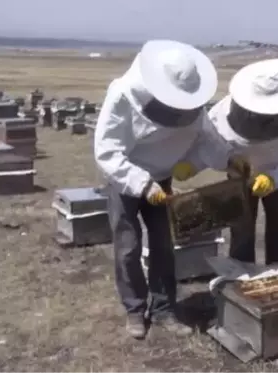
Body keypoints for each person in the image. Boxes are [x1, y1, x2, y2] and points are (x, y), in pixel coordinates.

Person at [94, 39, 243, 339]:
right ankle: (135, 311)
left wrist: (230, 159)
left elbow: (207, 137)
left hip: (162, 180)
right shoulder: (124, 94)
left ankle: (163, 309)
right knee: (128, 247)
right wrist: (141, 184)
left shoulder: (191, 103)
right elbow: (107, 150)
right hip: (126, 179)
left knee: (163, 246)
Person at [206, 58, 278, 266]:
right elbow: (210, 148)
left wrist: (274, 179)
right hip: (239, 178)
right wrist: (229, 162)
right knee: (241, 231)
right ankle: (241, 278)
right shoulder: (219, 115)